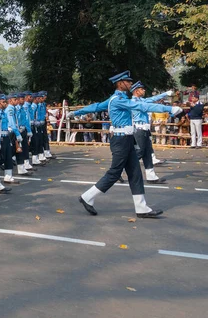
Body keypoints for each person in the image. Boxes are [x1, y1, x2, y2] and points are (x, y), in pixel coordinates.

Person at [69, 71, 181, 218]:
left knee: (135, 174)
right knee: (114, 173)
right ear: (120, 83)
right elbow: (142, 107)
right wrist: (169, 109)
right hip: (120, 140)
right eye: (127, 82)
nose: (130, 84)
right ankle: (87, 197)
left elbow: (95, 106)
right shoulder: (116, 100)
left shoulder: (118, 98)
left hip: (127, 139)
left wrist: (76, 112)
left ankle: (141, 207)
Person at [130, 82, 171, 183]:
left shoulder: (142, 100)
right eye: (142, 89)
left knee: (148, 153)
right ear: (136, 91)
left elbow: (152, 99)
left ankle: (151, 176)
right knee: (139, 152)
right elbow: (151, 101)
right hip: (138, 129)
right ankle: (119, 171)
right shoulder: (134, 101)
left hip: (145, 129)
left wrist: (165, 93)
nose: (144, 90)